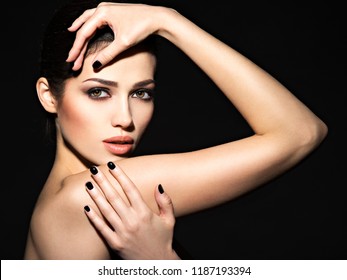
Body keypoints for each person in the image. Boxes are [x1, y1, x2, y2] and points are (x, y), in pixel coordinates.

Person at [24, 0, 328, 260]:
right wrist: (168, 21)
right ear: (49, 96)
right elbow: (302, 133)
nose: (125, 118)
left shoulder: (62, 201)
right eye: (99, 92)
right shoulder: (85, 197)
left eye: (141, 93)